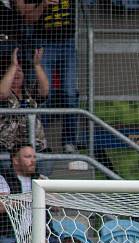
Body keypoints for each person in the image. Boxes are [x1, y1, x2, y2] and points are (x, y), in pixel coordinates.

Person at [17, 0, 78, 152]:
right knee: (44, 95)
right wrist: (43, 5)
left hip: (68, 42)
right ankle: (39, 142)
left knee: (70, 93)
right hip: (44, 42)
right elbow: (27, 19)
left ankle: (69, 142)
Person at [0, 47, 48, 154]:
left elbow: (44, 90)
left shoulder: (29, 94)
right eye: (14, 71)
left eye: (20, 70)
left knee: (46, 163)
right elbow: (2, 93)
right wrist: (13, 65)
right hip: (6, 148)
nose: (17, 73)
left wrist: (37, 65)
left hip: (34, 146)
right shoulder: (5, 93)